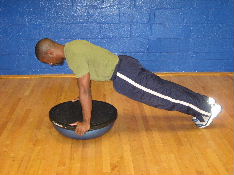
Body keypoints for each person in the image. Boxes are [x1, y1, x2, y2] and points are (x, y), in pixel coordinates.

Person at [35, 38, 222, 136]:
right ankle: (204, 102)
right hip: (125, 63)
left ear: (50, 52)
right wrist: (80, 98)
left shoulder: (73, 56)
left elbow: (85, 89)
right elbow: (86, 80)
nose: (51, 64)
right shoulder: (73, 46)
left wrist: (86, 121)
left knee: (163, 96)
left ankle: (205, 110)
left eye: (47, 61)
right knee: (164, 88)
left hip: (124, 75)